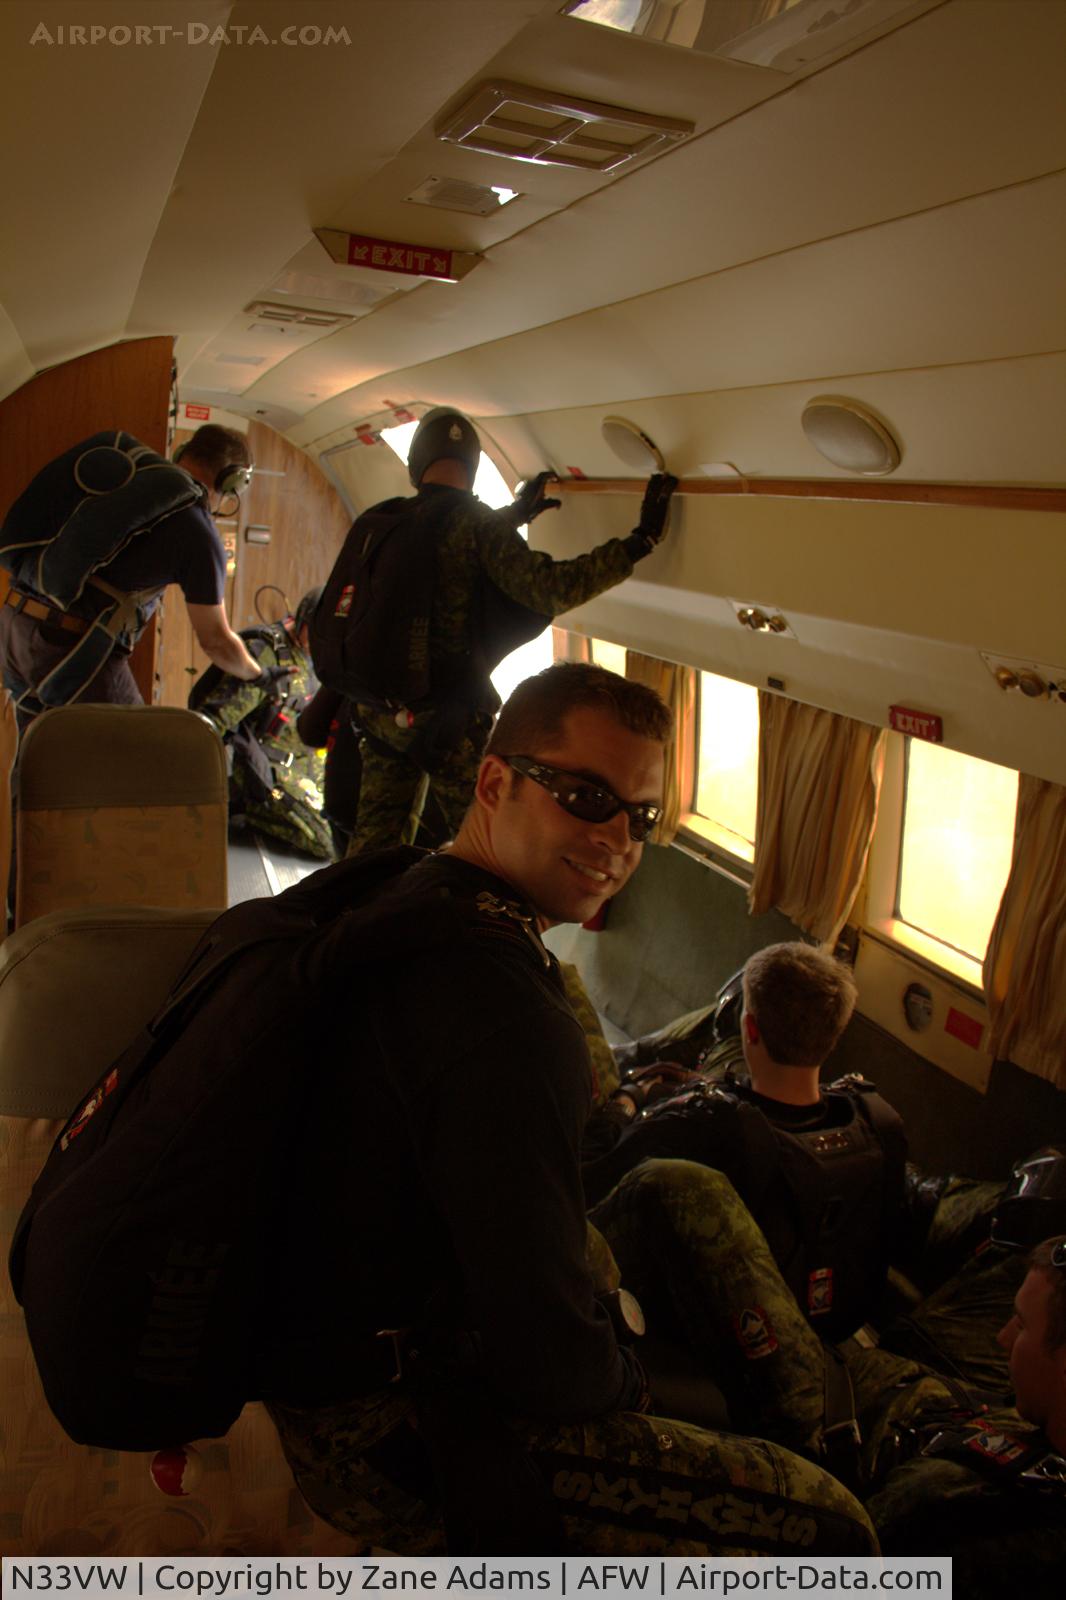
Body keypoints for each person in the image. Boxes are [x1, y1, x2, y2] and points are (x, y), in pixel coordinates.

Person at [264, 662, 877, 1556]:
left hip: (393, 1313)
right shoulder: (502, 1013)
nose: (619, 839)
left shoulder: (413, 892)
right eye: (587, 797)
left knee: (675, 1184)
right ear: (494, 782)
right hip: (389, 1426)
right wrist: (638, 1387)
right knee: (829, 1523)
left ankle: (819, 1423)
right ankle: (818, 1468)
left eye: (643, 816)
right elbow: (548, 1359)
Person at [594, 1160, 1065, 1587]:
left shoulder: (968, 1515)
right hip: (909, 1381)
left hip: (831, 1417)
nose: (1005, 1337)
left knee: (680, 1188)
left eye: (1021, 1325)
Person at [345, 406, 678, 856]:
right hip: (449, 722)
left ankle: (351, 918)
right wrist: (639, 541)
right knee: (485, 852)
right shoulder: (479, 525)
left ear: (416, 464)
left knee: (373, 846)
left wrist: (514, 514)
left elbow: (444, 548)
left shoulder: (387, 518)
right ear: (474, 466)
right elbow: (552, 589)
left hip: (381, 712)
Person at [583, 942, 908, 1342]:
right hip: (831, 1329)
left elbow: (589, 1180)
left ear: (749, 1028)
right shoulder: (878, 1125)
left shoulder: (701, 1124)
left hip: (703, 1339)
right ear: (835, 1033)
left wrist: (625, 1100)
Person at [0, 424, 262, 733]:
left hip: (13, 625)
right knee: (138, 756)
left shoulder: (131, 482)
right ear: (231, 480)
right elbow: (216, 642)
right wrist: (257, 674)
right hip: (69, 648)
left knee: (36, 756)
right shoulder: (197, 529)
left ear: (182, 453)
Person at [190, 588, 334, 859]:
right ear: (305, 622)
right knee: (328, 841)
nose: (324, 645)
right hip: (268, 772)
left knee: (346, 821)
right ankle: (251, 810)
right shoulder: (266, 652)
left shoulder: (317, 658)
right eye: (319, 636)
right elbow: (212, 725)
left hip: (307, 767)